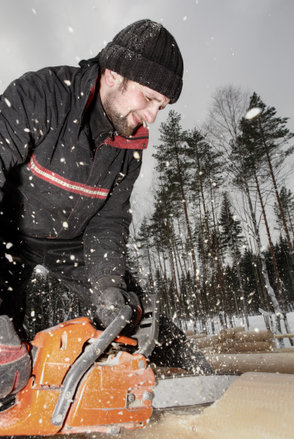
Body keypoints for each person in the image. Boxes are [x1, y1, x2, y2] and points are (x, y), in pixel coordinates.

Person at [0, 19, 211, 401]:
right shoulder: (41, 95)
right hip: (7, 231)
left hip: (71, 242)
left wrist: (108, 287)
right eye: (149, 98)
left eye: (161, 107)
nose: (152, 117)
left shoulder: (129, 148)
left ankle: (201, 382)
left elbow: (109, 221)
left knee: (129, 312)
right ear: (114, 75)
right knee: (7, 348)